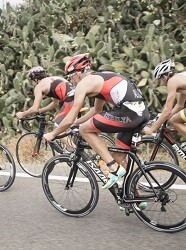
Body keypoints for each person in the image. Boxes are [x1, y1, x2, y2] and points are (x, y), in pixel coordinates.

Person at [43, 53, 149, 189]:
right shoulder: (99, 77)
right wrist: (76, 123)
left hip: (130, 112)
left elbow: (70, 116)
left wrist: (53, 134)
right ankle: (134, 196)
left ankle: (113, 167)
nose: (71, 81)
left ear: (77, 73)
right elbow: (96, 110)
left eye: (70, 77)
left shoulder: (84, 83)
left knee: (85, 129)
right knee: (118, 156)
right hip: (141, 112)